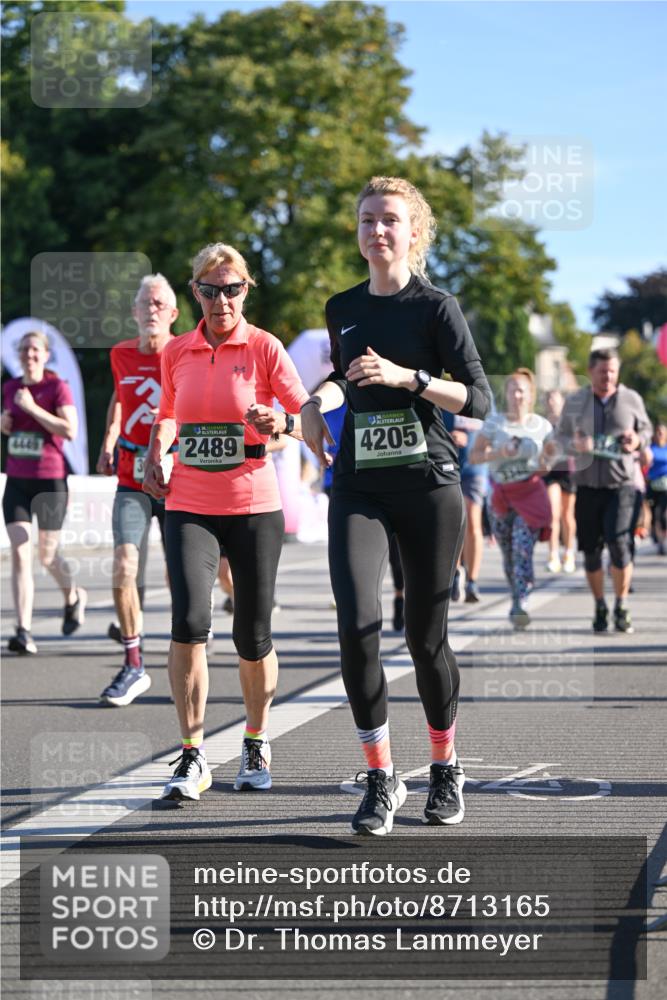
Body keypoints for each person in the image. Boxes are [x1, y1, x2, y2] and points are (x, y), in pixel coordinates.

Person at [300, 176, 492, 835]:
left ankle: (444, 765)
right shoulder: (342, 306)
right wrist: (312, 404)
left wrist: (408, 378)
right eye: (365, 220)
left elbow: (478, 399)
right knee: (355, 625)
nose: (376, 230)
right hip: (358, 483)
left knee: (423, 638)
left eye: (389, 220)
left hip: (428, 484)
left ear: (413, 231)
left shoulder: (436, 308)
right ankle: (381, 777)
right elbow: (342, 379)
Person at [142, 242, 309, 802]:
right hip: (189, 500)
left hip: (254, 505)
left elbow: (306, 416)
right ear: (195, 293)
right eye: (210, 290)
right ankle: (191, 755)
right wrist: (154, 450)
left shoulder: (264, 347)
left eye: (232, 289)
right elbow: (168, 414)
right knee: (189, 621)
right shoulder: (178, 352)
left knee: (252, 633)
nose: (222, 301)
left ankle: (256, 739)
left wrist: (280, 420)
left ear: (246, 290)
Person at [96, 274, 179, 706]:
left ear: (173, 314)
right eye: (144, 303)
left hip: (176, 479)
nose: (151, 309)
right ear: (134, 312)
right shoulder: (120, 354)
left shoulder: (186, 354)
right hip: (130, 477)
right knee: (124, 564)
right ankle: (133, 663)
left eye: (159, 303)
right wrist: (108, 442)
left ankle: (188, 647)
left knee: (178, 573)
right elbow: (119, 399)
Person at [551, 348, 652, 634]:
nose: (608, 376)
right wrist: (575, 445)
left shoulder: (631, 399)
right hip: (587, 486)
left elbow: (646, 431)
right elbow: (560, 437)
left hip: (621, 485)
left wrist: (637, 440)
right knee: (592, 553)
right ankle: (600, 605)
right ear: (591, 371)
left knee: (619, 545)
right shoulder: (576, 401)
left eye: (612, 371)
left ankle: (621, 604)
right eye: (602, 371)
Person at [1, 331, 86, 654]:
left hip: (50, 481)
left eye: (35, 349)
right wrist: (4, 422)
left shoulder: (56, 387)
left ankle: (73, 595)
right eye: (24, 350)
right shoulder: (10, 388)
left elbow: (70, 430)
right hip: (18, 481)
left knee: (47, 556)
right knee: (21, 553)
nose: (29, 355)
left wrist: (33, 409)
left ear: (46, 354)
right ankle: (23, 631)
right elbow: (9, 424)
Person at [469, 369, 553, 630]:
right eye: (512, 389)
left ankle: (521, 602)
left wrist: (545, 463)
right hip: (501, 498)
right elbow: (474, 456)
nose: (517, 395)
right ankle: (518, 590)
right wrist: (499, 452)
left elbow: (549, 461)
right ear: (505, 393)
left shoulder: (542, 426)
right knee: (508, 555)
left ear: (530, 395)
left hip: (529, 494)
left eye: (522, 390)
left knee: (522, 549)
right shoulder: (494, 423)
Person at [543, 388, 577, 574]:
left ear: (562, 402)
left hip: (567, 470)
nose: (551, 401)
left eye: (554, 398)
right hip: (550, 472)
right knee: (552, 514)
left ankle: (569, 553)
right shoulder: (542, 424)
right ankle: (553, 555)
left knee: (567, 515)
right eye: (548, 398)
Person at [646, 422, 667, 555]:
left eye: (662, 432)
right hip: (653, 485)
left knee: (663, 515)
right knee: (654, 515)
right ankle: (657, 538)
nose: (660, 434)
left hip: (666, 486)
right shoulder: (650, 448)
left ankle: (663, 540)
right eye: (658, 432)